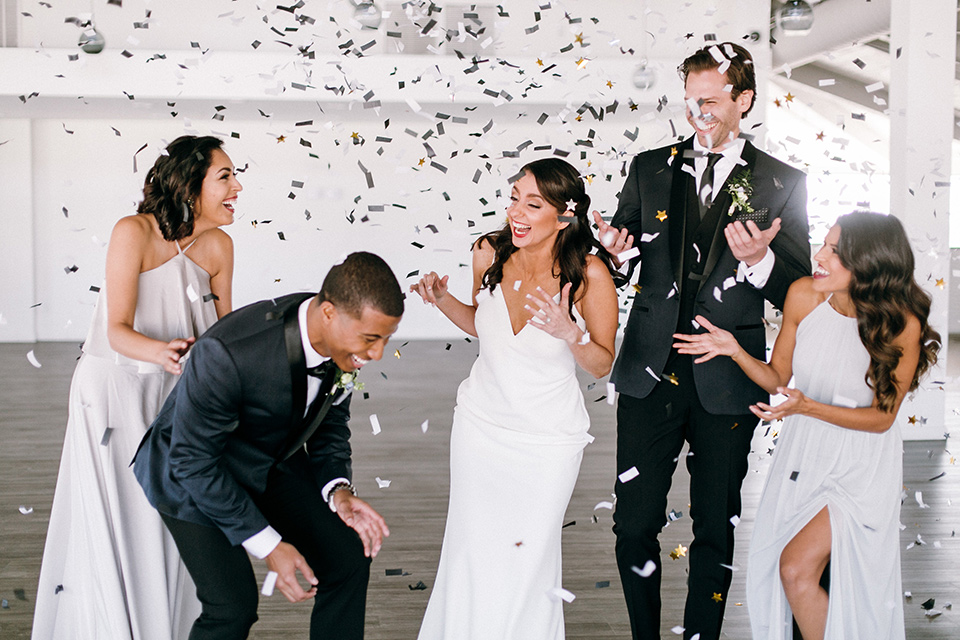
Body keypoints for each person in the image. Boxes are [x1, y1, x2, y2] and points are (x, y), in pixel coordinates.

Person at [592, 42, 812, 640]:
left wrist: (763, 261)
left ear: (743, 100)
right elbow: (621, 261)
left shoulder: (783, 182)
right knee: (634, 522)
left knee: (715, 526)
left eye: (711, 102)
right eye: (691, 102)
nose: (698, 115)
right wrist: (615, 257)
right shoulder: (648, 167)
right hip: (647, 370)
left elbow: (798, 289)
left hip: (729, 379)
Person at [673, 211, 939, 640]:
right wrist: (735, 351)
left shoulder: (901, 322)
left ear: (870, 264)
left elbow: (882, 419)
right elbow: (778, 377)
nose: (820, 255)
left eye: (836, 252)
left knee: (795, 569)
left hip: (860, 467)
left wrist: (807, 407)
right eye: (825, 244)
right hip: (804, 454)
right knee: (780, 570)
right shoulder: (802, 296)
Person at [133, 251, 402, 640]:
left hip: (265, 457)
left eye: (385, 339)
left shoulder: (340, 332)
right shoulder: (229, 352)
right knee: (232, 606)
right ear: (328, 314)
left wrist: (338, 491)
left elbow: (329, 427)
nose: (376, 353)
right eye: (371, 339)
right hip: (188, 473)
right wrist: (271, 545)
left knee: (347, 557)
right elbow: (191, 460)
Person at [32, 135, 239, 640]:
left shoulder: (220, 247)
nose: (238, 186)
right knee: (124, 514)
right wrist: (165, 353)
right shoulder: (133, 232)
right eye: (226, 176)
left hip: (177, 396)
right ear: (191, 186)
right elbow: (116, 329)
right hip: (114, 391)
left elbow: (223, 331)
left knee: (171, 518)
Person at [412, 158, 619, 639]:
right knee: (471, 549)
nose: (515, 213)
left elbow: (602, 362)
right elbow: (482, 327)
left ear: (564, 216)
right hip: (480, 427)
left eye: (532, 204)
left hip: (546, 442)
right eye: (512, 199)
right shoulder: (488, 252)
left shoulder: (589, 273)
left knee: (527, 559)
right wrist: (441, 299)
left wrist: (572, 334)